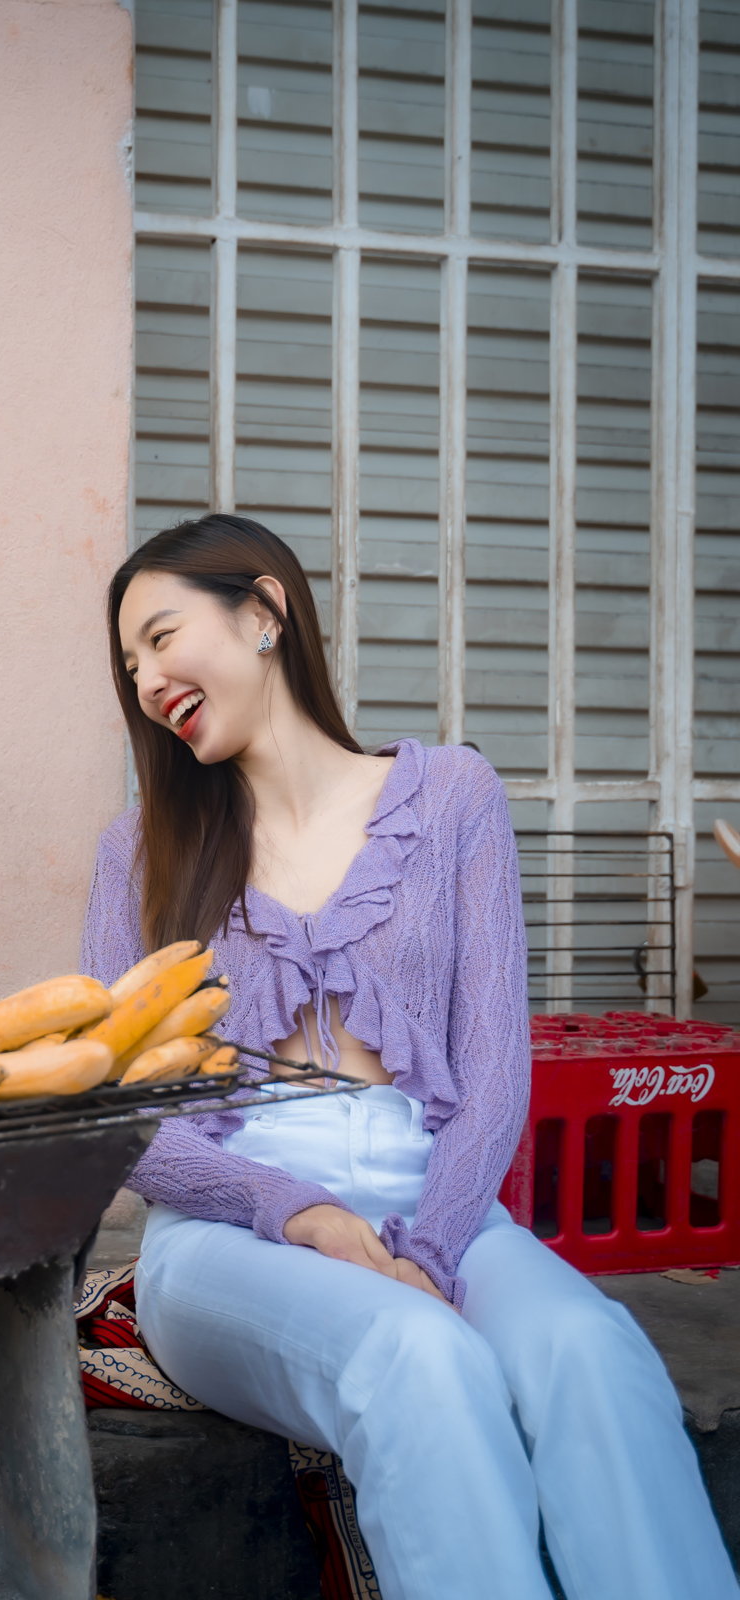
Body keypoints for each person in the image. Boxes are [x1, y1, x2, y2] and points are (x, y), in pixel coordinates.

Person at [81, 516, 736, 1600]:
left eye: (159, 636)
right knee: (417, 1359)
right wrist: (305, 1213)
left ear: (262, 612)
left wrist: (431, 1249)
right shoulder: (139, 846)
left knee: (592, 1355)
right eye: (128, 664)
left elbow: (492, 1071)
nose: (147, 679)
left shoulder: (453, 799)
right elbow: (126, 1123)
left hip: (441, 1202)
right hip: (226, 1228)